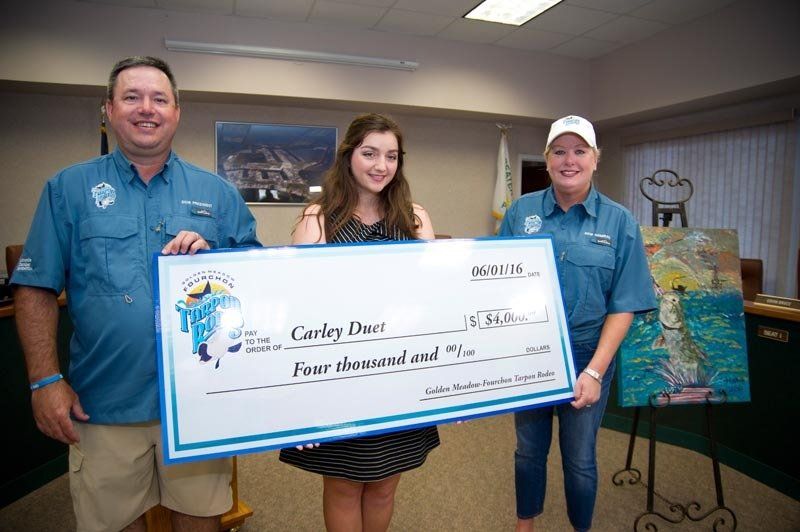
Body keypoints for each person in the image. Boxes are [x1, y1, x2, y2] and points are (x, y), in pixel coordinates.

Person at [11, 56, 260, 532]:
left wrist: (214, 263)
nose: (147, 108)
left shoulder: (217, 193)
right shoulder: (68, 189)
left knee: (201, 520)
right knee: (113, 524)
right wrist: (44, 381)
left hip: (196, 400)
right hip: (104, 403)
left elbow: (255, 280)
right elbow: (35, 286)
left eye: (159, 99)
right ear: (108, 109)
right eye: (131, 97)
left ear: (176, 112)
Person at [279, 113, 439, 532]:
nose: (381, 165)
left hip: (400, 373)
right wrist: (303, 396)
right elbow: (301, 313)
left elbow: (434, 303)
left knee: (385, 485)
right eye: (370, 153)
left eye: (391, 156)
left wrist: (451, 381)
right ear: (349, 156)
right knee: (344, 486)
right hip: (339, 377)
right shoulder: (318, 220)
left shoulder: (415, 219)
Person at [498, 115, 656, 531]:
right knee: (528, 451)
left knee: (580, 458)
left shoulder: (619, 222)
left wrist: (595, 371)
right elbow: (494, 284)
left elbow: (624, 304)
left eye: (580, 151)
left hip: (589, 355)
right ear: (547, 159)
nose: (569, 160)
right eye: (560, 151)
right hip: (530, 354)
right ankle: (525, 526)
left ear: (595, 159)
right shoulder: (521, 212)